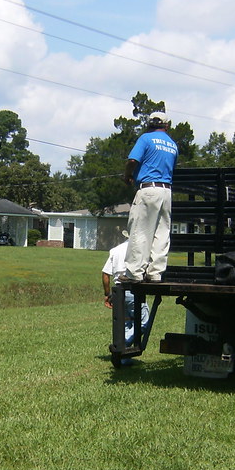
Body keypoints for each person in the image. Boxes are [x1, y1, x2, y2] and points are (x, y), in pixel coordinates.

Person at [120, 111, 178, 282]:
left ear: (149, 123)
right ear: (166, 125)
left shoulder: (145, 138)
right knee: (162, 233)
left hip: (148, 189)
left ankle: (134, 273)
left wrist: (127, 175)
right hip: (166, 191)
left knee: (140, 230)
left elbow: (132, 161)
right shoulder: (173, 145)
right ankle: (155, 273)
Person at [102, 231, 150, 364]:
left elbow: (105, 274)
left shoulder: (115, 250)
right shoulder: (140, 251)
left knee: (126, 324)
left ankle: (124, 359)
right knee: (143, 322)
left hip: (118, 291)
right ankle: (119, 348)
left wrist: (107, 295)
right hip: (133, 290)